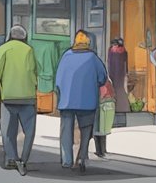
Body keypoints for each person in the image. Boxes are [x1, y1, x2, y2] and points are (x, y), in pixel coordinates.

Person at [54, 29, 108, 174]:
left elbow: (58, 81)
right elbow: (103, 77)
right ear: (88, 43)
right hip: (87, 101)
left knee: (66, 130)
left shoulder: (66, 56)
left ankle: (66, 160)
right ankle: (81, 158)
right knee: (85, 131)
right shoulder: (93, 58)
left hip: (66, 101)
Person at [0, 25, 38, 176]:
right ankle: (23, 160)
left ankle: (11, 158)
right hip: (28, 97)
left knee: (8, 131)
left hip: (8, 96)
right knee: (29, 131)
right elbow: (35, 71)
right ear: (25, 37)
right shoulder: (29, 50)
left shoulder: (4, 48)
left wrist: (2, 82)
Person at [107, 38, 130, 128]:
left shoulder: (111, 51)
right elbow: (125, 67)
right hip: (121, 79)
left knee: (115, 96)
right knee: (122, 97)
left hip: (114, 79)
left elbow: (109, 66)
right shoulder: (124, 52)